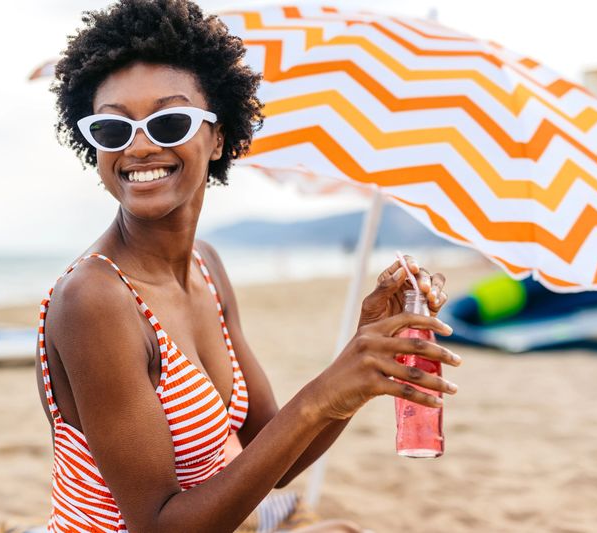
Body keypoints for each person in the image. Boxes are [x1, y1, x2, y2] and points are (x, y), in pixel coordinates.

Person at [34, 1, 461, 532]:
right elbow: (159, 526)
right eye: (113, 130)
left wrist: (358, 364)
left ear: (217, 137)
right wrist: (322, 394)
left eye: (169, 122)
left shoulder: (206, 269)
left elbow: (271, 457)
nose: (140, 146)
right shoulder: (94, 301)